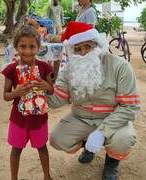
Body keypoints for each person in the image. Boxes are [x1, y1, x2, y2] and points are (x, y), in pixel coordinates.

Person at [45, 21, 140, 180]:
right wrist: (44, 87)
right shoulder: (69, 68)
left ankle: (112, 161)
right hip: (80, 118)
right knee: (57, 139)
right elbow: (57, 100)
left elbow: (129, 107)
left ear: (98, 45)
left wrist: (102, 132)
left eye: (88, 46)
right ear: (72, 51)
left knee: (124, 140)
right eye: (78, 49)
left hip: (113, 120)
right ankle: (88, 147)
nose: (83, 53)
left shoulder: (120, 66)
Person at [1, 25, 54, 180]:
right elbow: (6, 95)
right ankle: (14, 178)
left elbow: (51, 90)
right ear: (16, 47)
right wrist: (16, 92)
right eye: (22, 46)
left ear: (38, 47)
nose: (27, 51)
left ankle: (47, 176)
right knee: (16, 149)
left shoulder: (44, 68)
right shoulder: (11, 69)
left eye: (32, 46)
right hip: (18, 119)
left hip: (39, 118)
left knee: (42, 148)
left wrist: (46, 86)